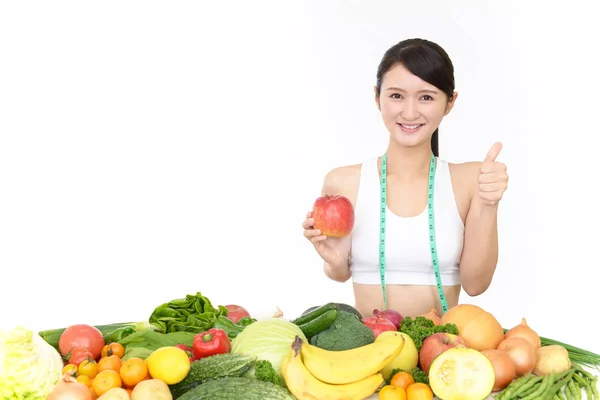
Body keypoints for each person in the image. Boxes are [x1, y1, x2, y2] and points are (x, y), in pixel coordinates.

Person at [302, 38, 509, 319]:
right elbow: (338, 273)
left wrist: (488, 203)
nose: (410, 112)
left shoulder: (471, 179)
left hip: (442, 356)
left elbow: (476, 285)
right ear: (377, 98)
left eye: (426, 97)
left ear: (450, 102)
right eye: (396, 95)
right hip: (369, 354)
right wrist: (336, 262)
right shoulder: (343, 183)